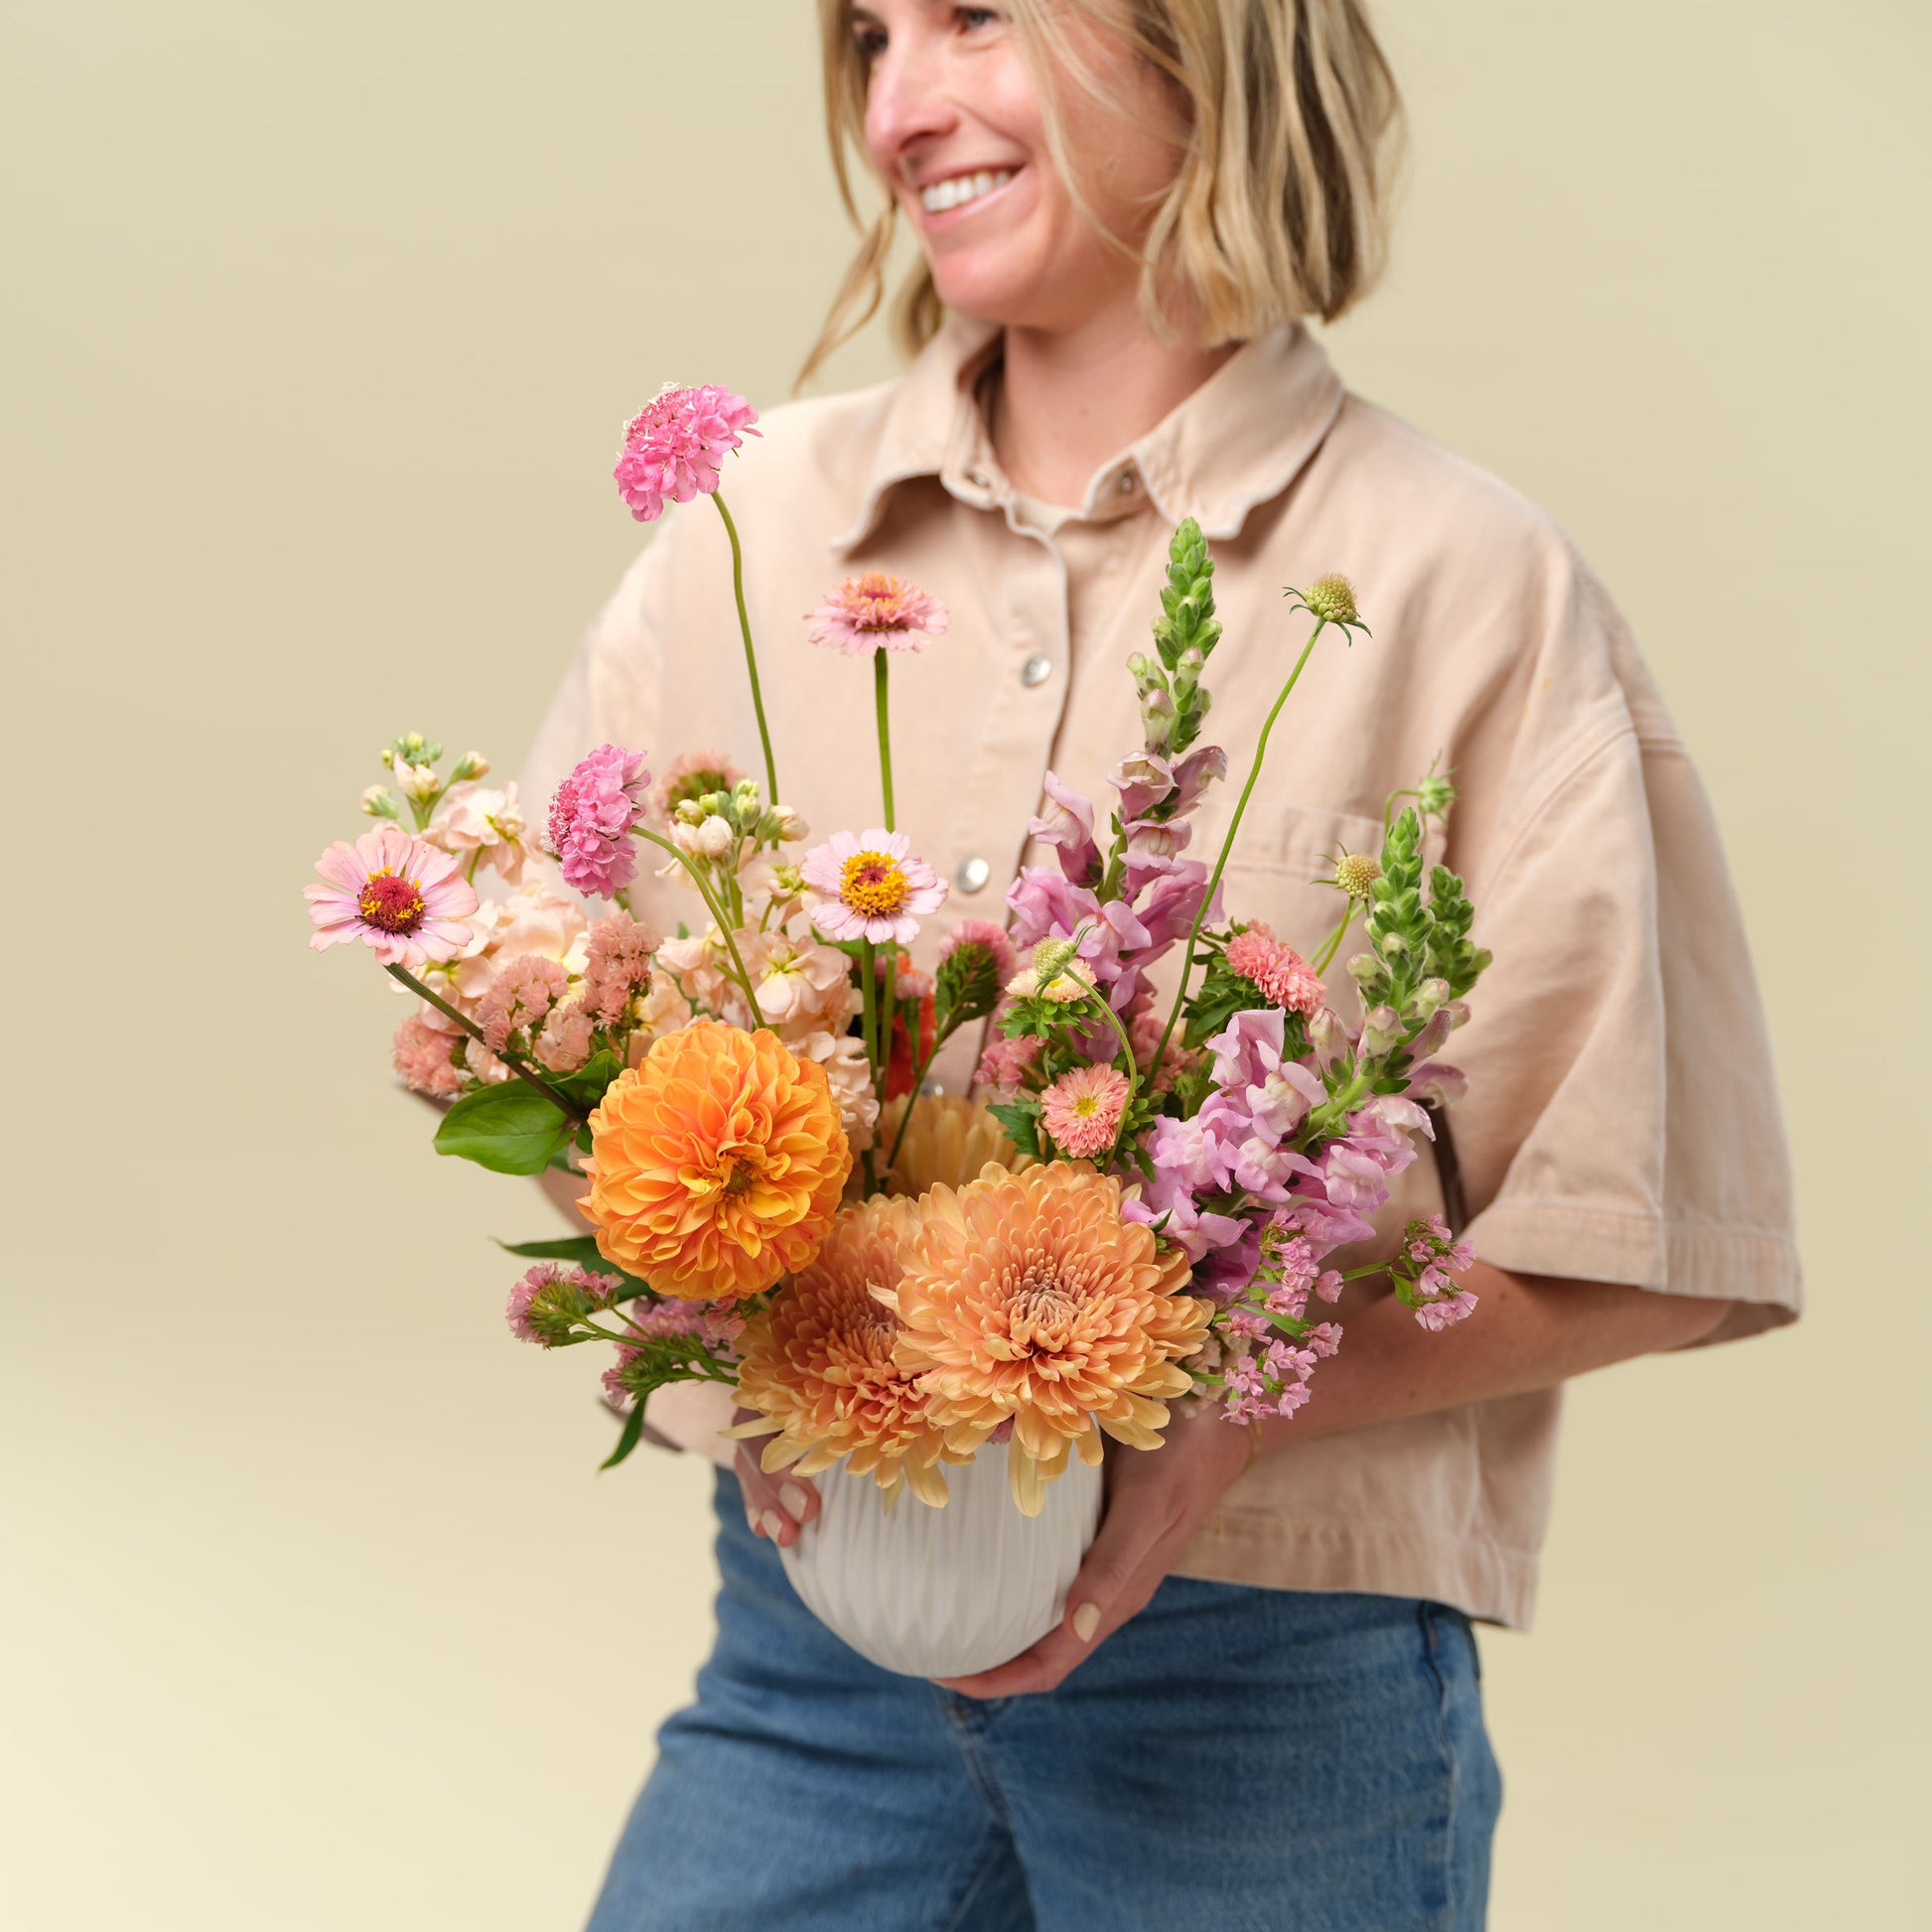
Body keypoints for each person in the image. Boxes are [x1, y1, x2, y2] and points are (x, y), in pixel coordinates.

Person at [525, 3, 1802, 1926]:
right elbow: (548, 1055)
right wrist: (741, 1313)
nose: (900, 106)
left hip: (1270, 1707)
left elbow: (1638, 1233)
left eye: (971, 19)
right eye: (872, 36)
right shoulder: (746, 532)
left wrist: (1226, 1418)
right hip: (802, 1671)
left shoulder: (1462, 581)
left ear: (1200, 49)